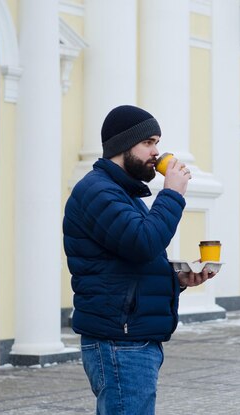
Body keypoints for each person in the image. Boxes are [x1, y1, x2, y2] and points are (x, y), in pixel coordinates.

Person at [63, 105, 215, 414]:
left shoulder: (122, 194)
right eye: (148, 142)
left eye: (157, 143)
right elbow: (143, 243)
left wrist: (177, 280)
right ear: (122, 145)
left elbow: (131, 259)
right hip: (120, 341)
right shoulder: (97, 192)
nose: (157, 153)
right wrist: (172, 194)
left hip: (130, 338)